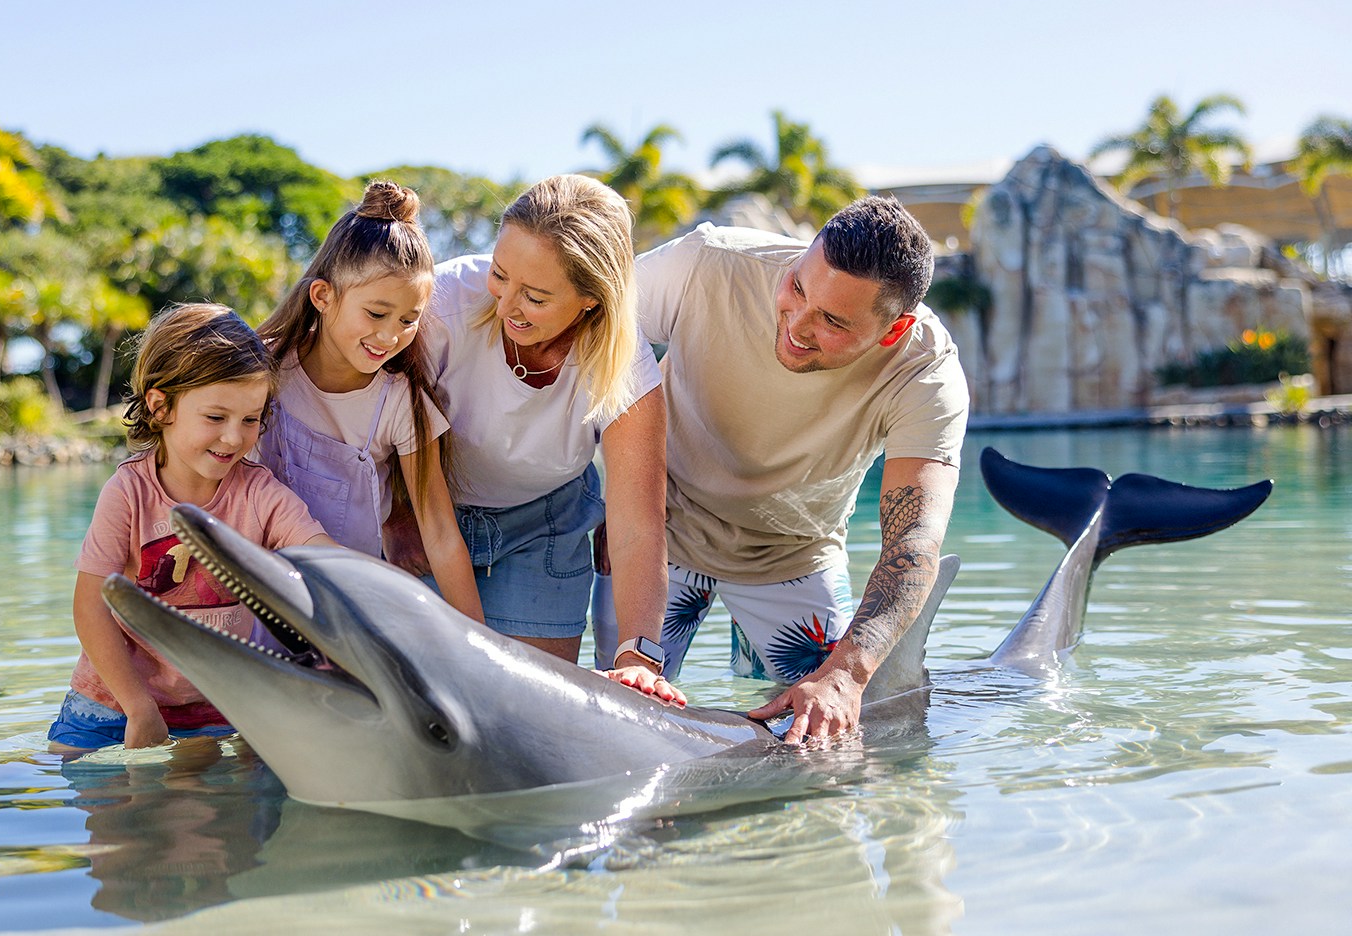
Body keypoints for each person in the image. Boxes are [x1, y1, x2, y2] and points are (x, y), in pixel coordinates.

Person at [594, 195, 969, 741]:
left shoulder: (925, 373)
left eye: (833, 321)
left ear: (892, 331)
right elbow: (585, 330)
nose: (797, 323)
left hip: (792, 554)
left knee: (836, 741)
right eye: (797, 286)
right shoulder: (707, 264)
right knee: (617, 728)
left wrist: (846, 675)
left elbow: (914, 543)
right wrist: (607, 494)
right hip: (656, 538)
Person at [386, 174, 682, 705]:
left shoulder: (625, 361)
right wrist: (393, 513)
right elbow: (375, 418)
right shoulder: (441, 304)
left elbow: (638, 520)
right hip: (425, 512)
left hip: (544, 524)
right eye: (501, 275)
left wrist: (638, 656)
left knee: (526, 712)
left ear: (591, 299)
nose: (505, 305)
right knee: (427, 704)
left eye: (537, 297)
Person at [48, 302, 336, 753]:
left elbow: (323, 554)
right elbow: (90, 607)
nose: (234, 438)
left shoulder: (258, 493)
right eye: (215, 418)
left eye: (250, 419)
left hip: (214, 708)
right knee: (96, 802)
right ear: (161, 406)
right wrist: (139, 706)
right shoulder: (129, 492)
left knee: (207, 814)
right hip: (112, 702)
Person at [253, 181, 483, 622]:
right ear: (323, 296)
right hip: (258, 587)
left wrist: (481, 642)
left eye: (408, 320)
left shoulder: (400, 401)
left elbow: (438, 531)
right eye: (376, 314)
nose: (389, 336)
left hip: (348, 608)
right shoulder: (265, 369)